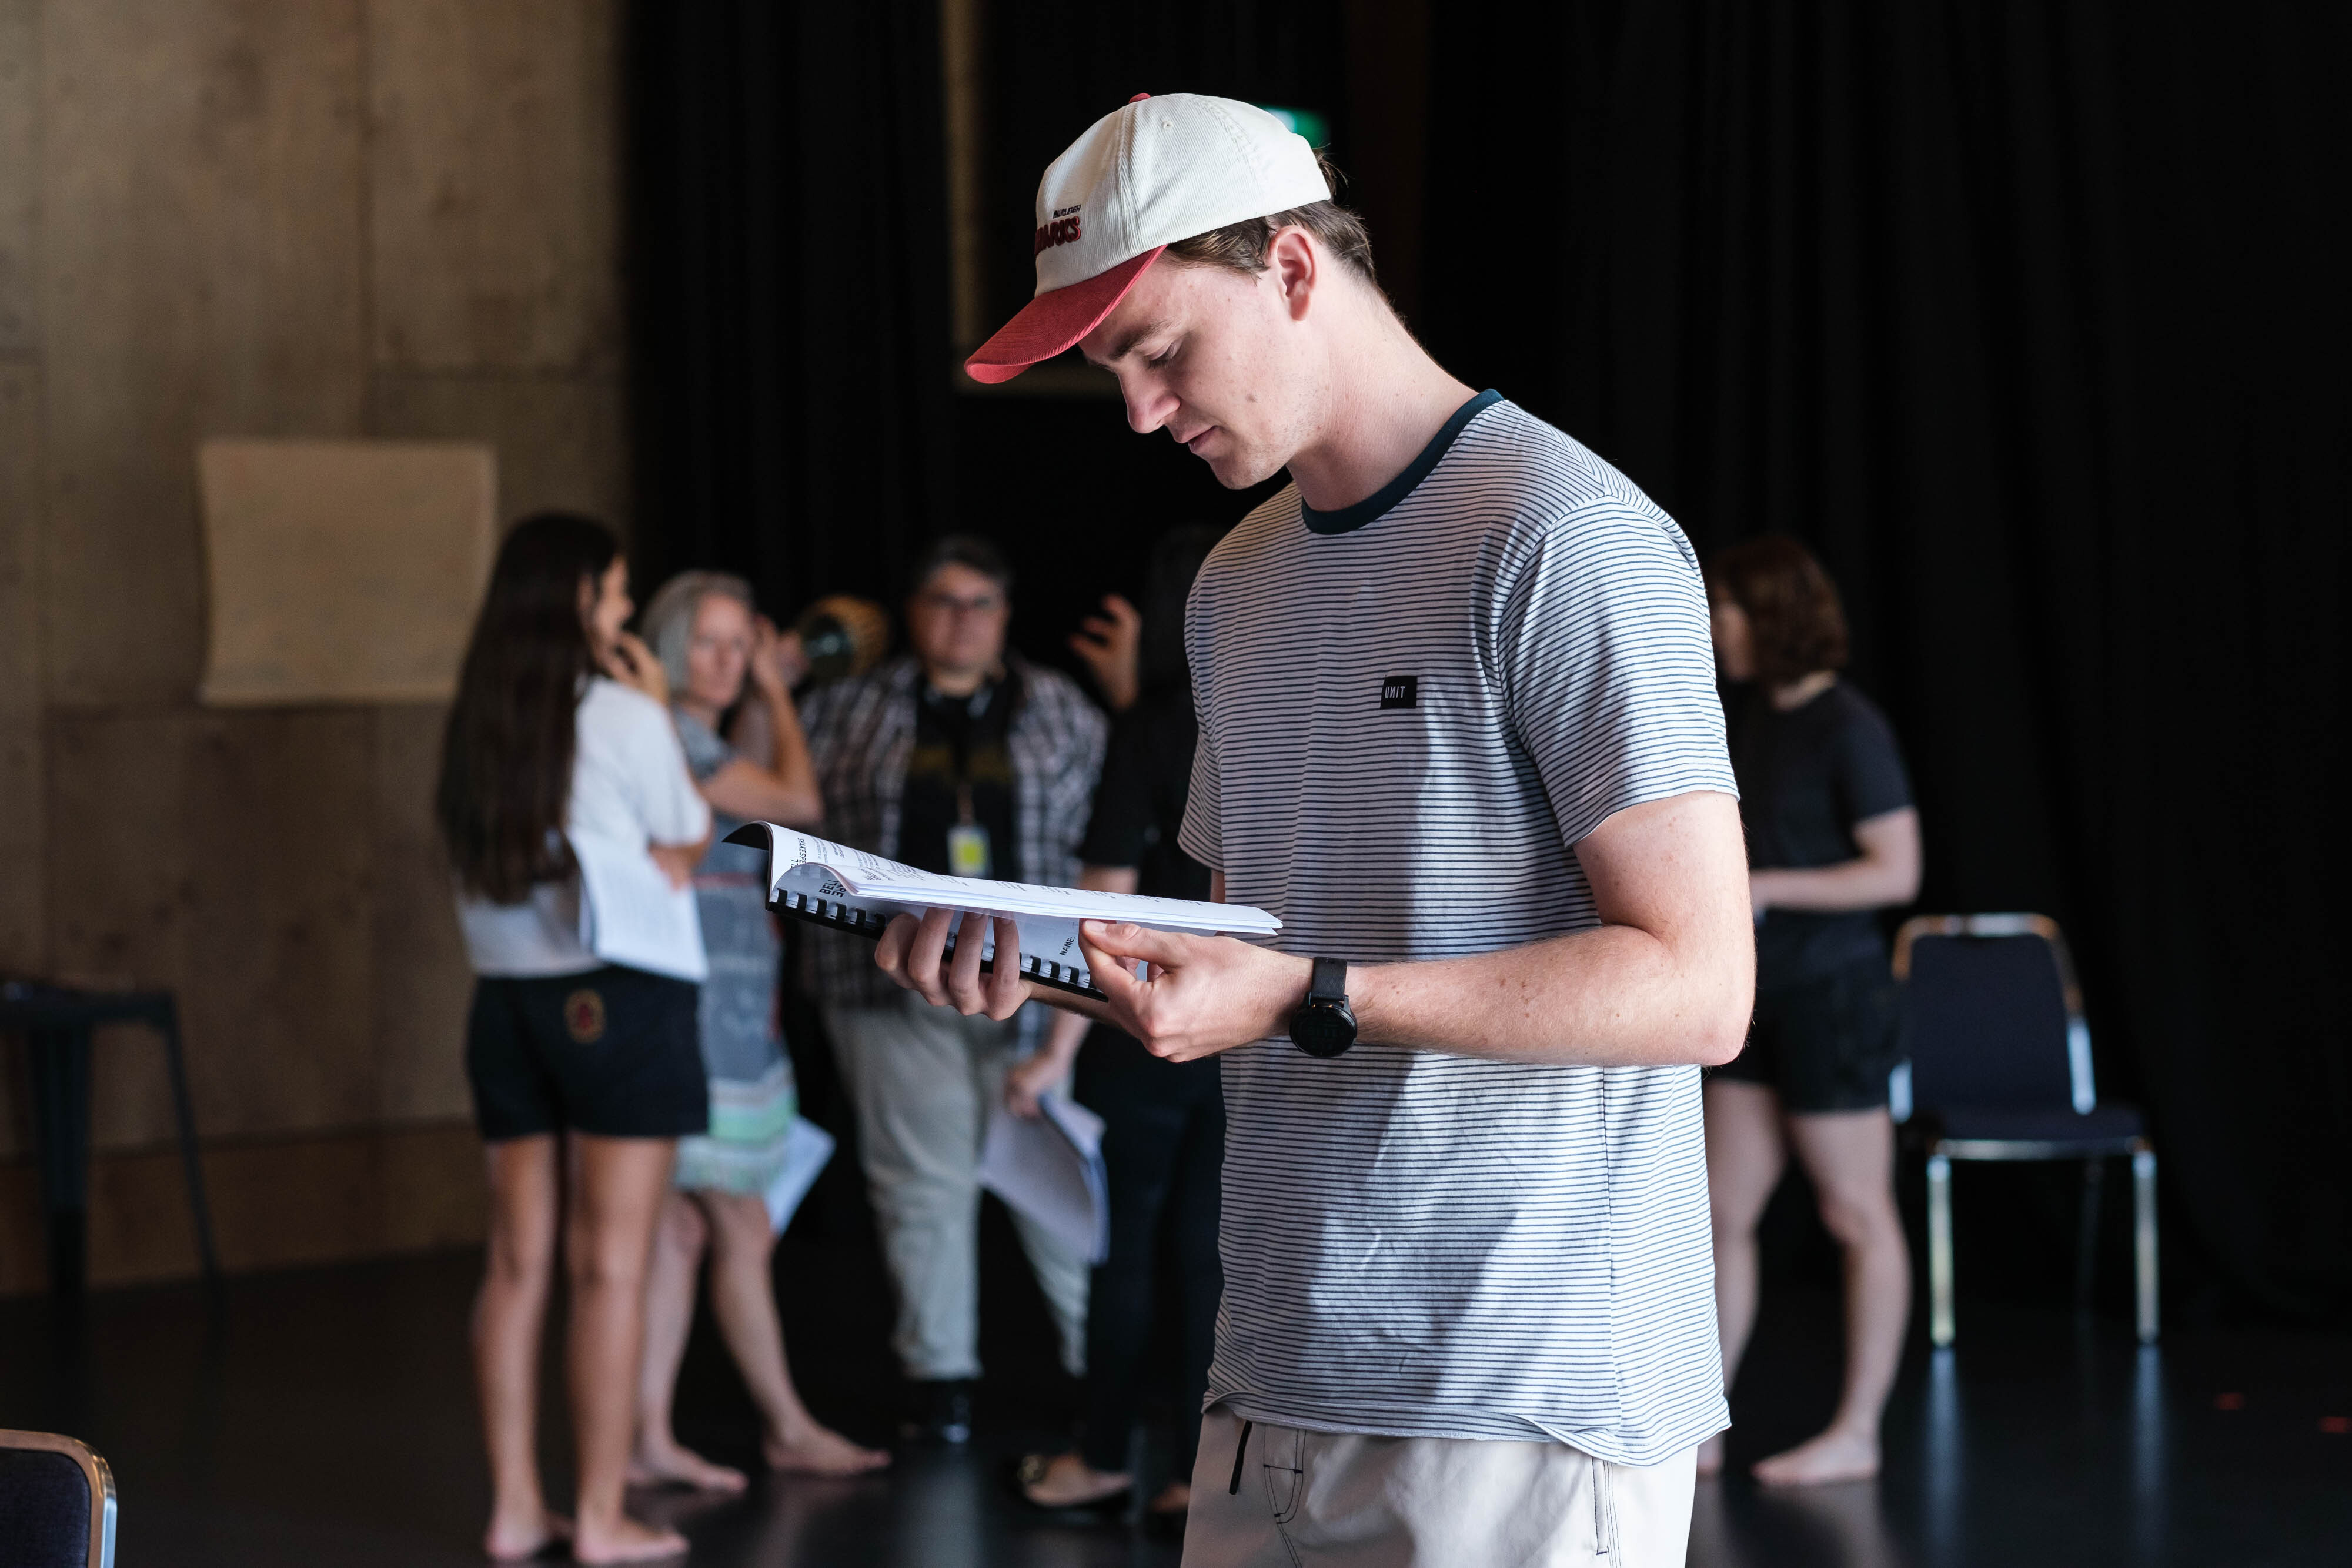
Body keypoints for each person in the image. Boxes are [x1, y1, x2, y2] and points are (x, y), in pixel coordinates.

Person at [880, 95, 1755, 1566]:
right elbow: (1252, 968)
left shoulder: (1562, 533)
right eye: (1111, 371)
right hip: (1271, 1374)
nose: (1139, 411)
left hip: (1517, 1399)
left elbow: (1701, 987)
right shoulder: (1236, 583)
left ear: (1291, 267)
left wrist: (1310, 988)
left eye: (1160, 349)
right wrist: (1039, 963)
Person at [436, 513, 709, 1563]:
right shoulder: (621, 714)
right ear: (581, 599)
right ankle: (598, 1516)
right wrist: (657, 705)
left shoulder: (477, 717)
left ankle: (514, 1508)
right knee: (612, 1266)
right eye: (618, 591)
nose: (627, 610)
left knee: (516, 1264)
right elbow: (687, 830)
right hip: (620, 999)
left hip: (504, 1004)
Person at [799, 534, 1108, 1445]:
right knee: (920, 1183)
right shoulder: (849, 707)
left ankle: (1102, 1378)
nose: (962, 620)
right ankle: (942, 1384)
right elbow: (787, 805)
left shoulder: (1061, 709)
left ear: (1005, 616)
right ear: (912, 612)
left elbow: (1112, 839)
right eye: (943, 600)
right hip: (889, 982)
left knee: (1051, 1180)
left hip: (1041, 983)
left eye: (981, 603)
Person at [627, 571, 891, 1489]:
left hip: (730, 1015)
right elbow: (798, 806)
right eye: (709, 642)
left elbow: (745, 792)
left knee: (681, 1233)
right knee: (738, 1224)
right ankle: (787, 1427)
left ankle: (646, 1439)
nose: (728, 660)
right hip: (695, 1018)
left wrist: (764, 695)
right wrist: (781, 693)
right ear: (670, 645)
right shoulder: (669, 731)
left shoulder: (695, 736)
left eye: (741, 645)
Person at [1007, 526, 1227, 1534]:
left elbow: (1101, 907)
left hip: (1141, 1029)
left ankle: (1099, 1458)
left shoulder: (1148, 731)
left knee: (1122, 1248)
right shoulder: (1274, 722)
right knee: (1207, 1258)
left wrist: (1052, 1054)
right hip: (1245, 1029)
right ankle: (1193, 1476)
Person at [1698, 537, 1922, 1486]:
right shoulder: (1751, 717)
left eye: (1726, 608)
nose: (1716, 627)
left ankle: (1858, 1432)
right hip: (1760, 997)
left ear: (1771, 613)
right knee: (1722, 1212)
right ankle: (1703, 1428)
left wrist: (1770, 888)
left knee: (1853, 1211)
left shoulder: (1848, 727)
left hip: (1835, 997)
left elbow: (1897, 873)